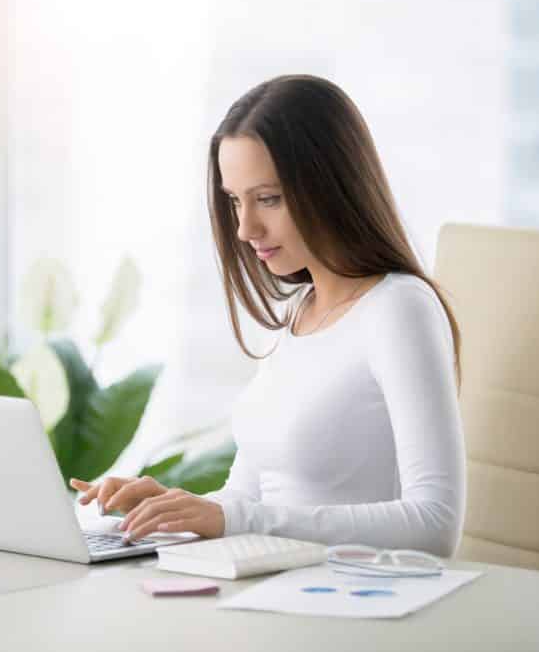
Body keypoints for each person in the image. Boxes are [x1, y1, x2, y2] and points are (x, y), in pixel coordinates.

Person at [70, 74, 466, 558]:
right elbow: (248, 499)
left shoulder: (399, 309)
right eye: (235, 200)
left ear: (332, 185)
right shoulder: (298, 313)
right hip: (275, 579)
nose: (244, 228)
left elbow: (435, 524)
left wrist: (233, 517)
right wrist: (176, 509)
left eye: (268, 199)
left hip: (347, 599)